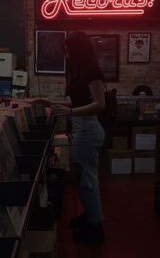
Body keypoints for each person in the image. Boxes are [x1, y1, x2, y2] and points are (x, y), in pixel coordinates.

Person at [34, 31, 105, 244]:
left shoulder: (92, 71)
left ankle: (96, 228)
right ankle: (90, 217)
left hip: (89, 129)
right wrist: (51, 103)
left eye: (68, 48)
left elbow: (100, 105)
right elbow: (79, 102)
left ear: (77, 49)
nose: (65, 53)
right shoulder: (82, 70)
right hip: (83, 129)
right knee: (84, 180)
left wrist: (70, 112)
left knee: (87, 181)